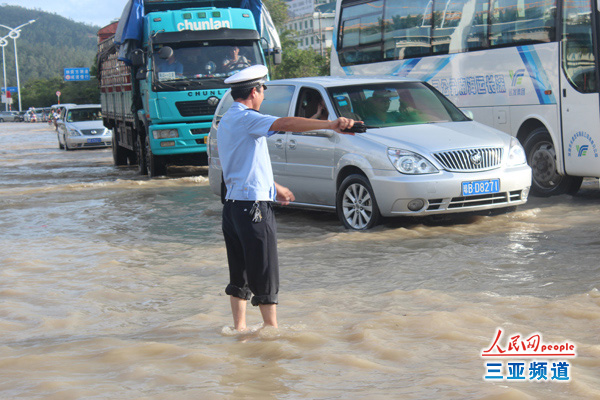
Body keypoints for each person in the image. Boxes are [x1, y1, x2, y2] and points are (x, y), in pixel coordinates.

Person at [217, 65, 358, 331]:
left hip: (233, 208)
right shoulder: (249, 118)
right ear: (255, 91)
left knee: (240, 273)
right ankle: (272, 332)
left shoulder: (227, 120)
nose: (263, 96)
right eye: (263, 90)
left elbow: (242, 165)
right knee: (265, 270)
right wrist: (330, 124)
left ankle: (239, 330)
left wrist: (275, 185)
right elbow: (284, 124)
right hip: (254, 209)